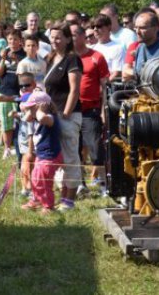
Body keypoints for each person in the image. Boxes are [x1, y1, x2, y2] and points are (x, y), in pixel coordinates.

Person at [42, 22, 82, 211]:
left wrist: (65, 112)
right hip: (52, 116)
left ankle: (69, 200)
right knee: (57, 157)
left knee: (70, 157)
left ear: (67, 39)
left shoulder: (72, 59)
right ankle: (62, 196)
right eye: (52, 37)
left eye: (59, 37)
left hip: (68, 115)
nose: (55, 41)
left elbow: (74, 89)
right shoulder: (50, 58)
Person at [71, 22, 110, 197]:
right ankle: (80, 183)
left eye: (72, 35)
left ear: (81, 36)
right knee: (75, 149)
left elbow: (105, 86)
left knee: (95, 148)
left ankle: (103, 183)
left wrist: (103, 110)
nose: (70, 38)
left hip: (91, 110)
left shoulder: (97, 57)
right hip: (71, 110)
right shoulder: (67, 58)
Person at [20, 90, 62, 213]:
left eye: (33, 107)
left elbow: (42, 118)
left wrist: (39, 109)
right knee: (35, 178)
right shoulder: (36, 117)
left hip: (50, 156)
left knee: (44, 182)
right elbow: (27, 118)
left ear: (41, 106)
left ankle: (48, 206)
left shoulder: (50, 118)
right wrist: (30, 109)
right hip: (42, 155)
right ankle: (37, 200)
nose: (31, 111)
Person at [0, 30, 25, 158]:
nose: (12, 42)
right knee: (6, 122)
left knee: (19, 121)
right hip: (4, 92)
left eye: (15, 39)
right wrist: (4, 59)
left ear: (20, 40)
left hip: (19, 93)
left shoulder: (24, 54)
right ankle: (6, 148)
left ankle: (20, 146)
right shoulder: (3, 53)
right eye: (10, 39)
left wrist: (17, 61)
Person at [15, 72, 37, 198]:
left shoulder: (34, 98)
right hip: (22, 138)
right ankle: (25, 188)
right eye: (21, 86)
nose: (23, 88)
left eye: (26, 85)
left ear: (33, 84)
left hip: (31, 140)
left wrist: (30, 149)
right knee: (23, 164)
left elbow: (31, 128)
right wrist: (17, 115)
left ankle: (32, 189)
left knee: (31, 164)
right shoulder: (23, 97)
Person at [91, 14, 124, 79]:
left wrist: (103, 86)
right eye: (93, 26)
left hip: (108, 86)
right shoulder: (91, 48)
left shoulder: (117, 48)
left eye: (99, 26)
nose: (95, 29)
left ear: (109, 27)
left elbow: (117, 73)